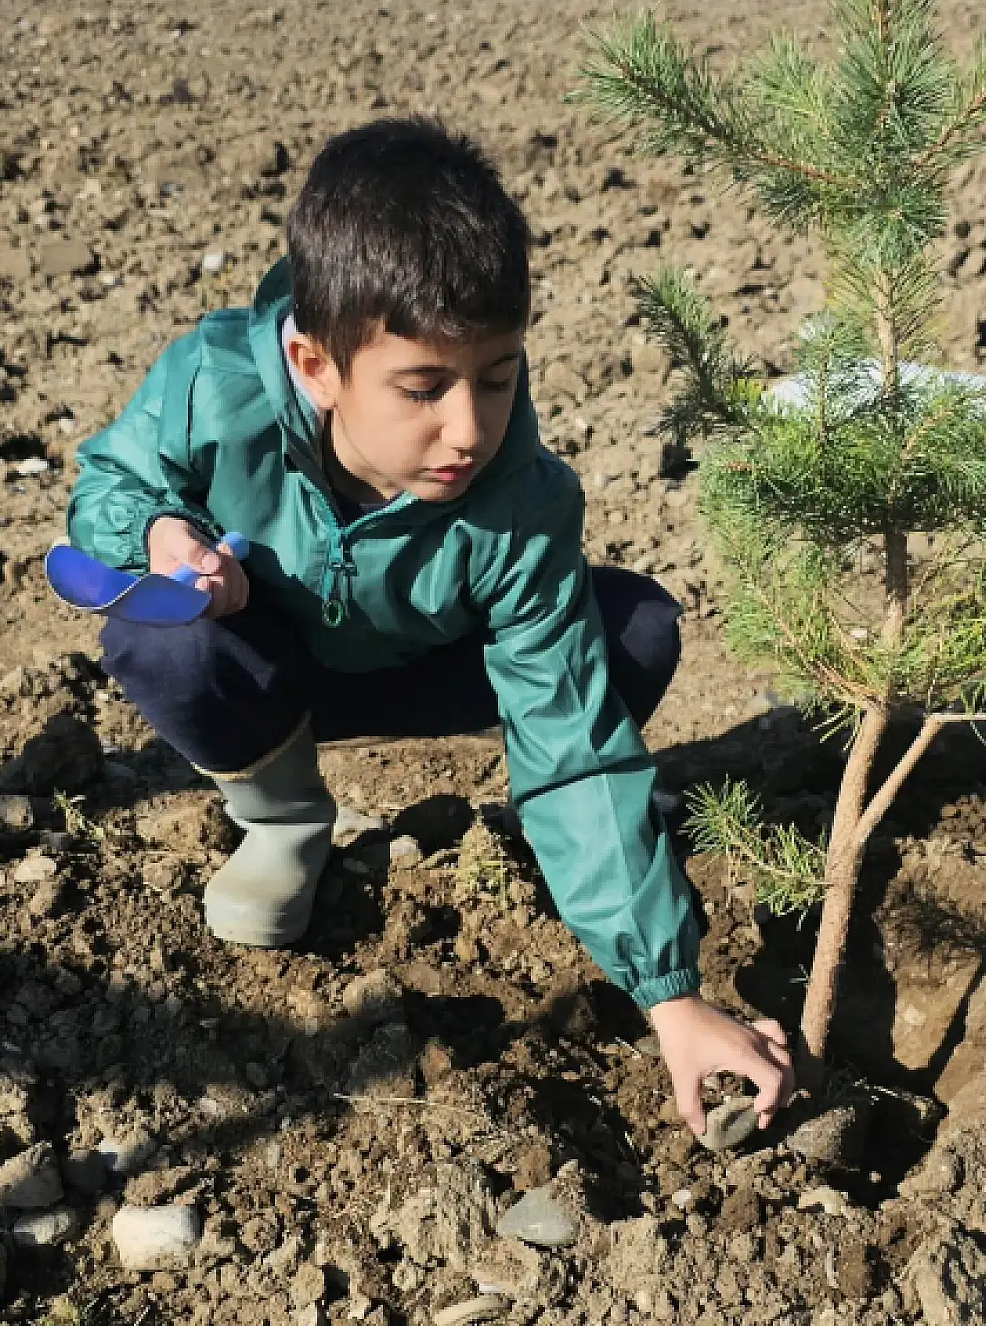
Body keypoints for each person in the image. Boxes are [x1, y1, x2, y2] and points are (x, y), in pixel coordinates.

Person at [65, 117, 792, 1135]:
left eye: (495, 379)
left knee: (629, 631)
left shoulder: (516, 499)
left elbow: (575, 741)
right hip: (271, 667)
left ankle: (560, 851)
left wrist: (668, 993)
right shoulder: (215, 381)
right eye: (422, 388)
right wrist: (160, 531)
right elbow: (114, 479)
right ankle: (281, 821)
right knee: (159, 639)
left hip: (429, 667)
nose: (467, 428)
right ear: (315, 363)